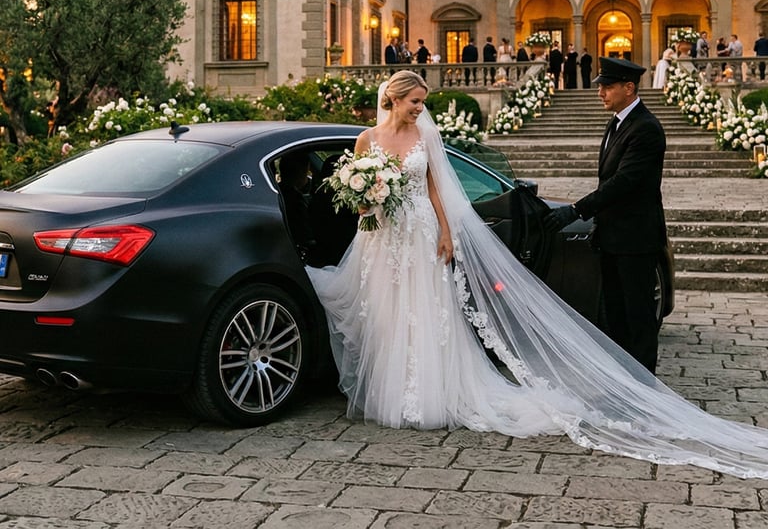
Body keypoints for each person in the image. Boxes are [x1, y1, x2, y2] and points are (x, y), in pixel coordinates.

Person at [307, 70, 768, 479]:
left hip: (425, 232)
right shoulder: (366, 140)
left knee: (427, 311)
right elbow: (358, 195)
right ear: (397, 96)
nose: (420, 108)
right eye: (416, 101)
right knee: (390, 313)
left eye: (423, 102)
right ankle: (391, 392)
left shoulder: (425, 139)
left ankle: (430, 394)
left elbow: (434, 189)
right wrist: (365, 200)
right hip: (385, 235)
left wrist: (447, 233)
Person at [543, 57, 666, 374]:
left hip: (636, 239)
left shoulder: (646, 128)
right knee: (615, 316)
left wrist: (575, 210)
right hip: (612, 237)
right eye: (600, 86)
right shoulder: (617, 123)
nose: (601, 93)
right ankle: (625, 382)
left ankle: (645, 387)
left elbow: (624, 182)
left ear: (629, 87)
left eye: (607, 87)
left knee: (638, 317)